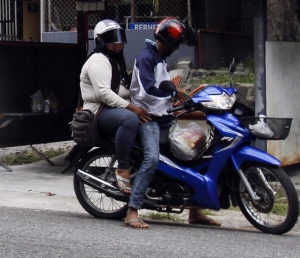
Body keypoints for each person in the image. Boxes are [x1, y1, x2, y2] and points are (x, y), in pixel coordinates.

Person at [128, 18, 219, 228]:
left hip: (165, 117)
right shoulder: (146, 58)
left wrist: (179, 99)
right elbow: (147, 90)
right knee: (151, 159)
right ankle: (132, 211)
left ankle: (195, 211)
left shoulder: (160, 59)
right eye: (173, 45)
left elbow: (164, 89)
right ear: (163, 41)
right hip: (148, 118)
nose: (174, 49)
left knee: (197, 150)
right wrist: (172, 92)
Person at [79, 20, 153, 224]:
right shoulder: (98, 61)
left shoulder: (116, 60)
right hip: (99, 111)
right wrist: (132, 108)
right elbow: (104, 94)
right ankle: (122, 167)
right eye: (112, 40)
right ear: (102, 41)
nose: (118, 44)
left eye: (120, 39)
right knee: (129, 119)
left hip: (115, 108)